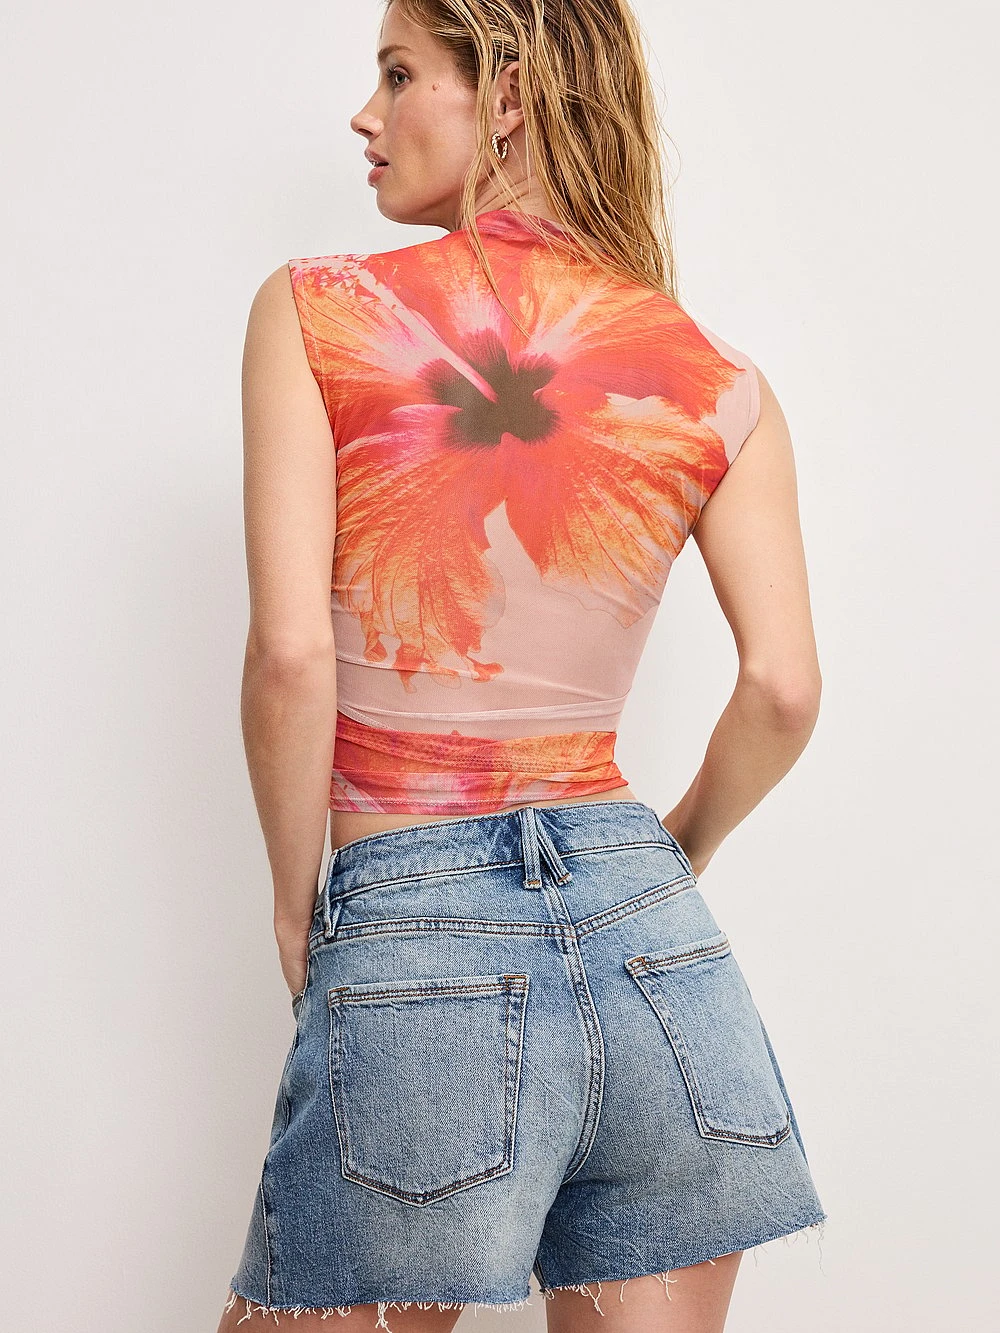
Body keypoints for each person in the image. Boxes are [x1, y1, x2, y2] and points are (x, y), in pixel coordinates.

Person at [219, 1, 827, 1329]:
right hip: (654, 944)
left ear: (506, 91)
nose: (367, 116)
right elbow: (784, 688)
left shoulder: (319, 313)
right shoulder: (718, 381)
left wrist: (295, 903)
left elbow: (291, 654)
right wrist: (668, 854)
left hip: (415, 918)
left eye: (398, 74)